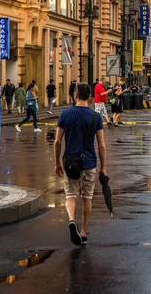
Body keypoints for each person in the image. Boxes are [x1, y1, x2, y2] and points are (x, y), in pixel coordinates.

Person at [54, 82, 106, 246]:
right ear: (89, 96)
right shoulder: (95, 117)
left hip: (70, 163)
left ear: (75, 95)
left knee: (70, 195)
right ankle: (83, 232)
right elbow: (102, 145)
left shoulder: (65, 114)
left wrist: (57, 162)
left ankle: (71, 220)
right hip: (89, 163)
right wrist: (103, 167)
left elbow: (57, 141)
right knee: (87, 197)